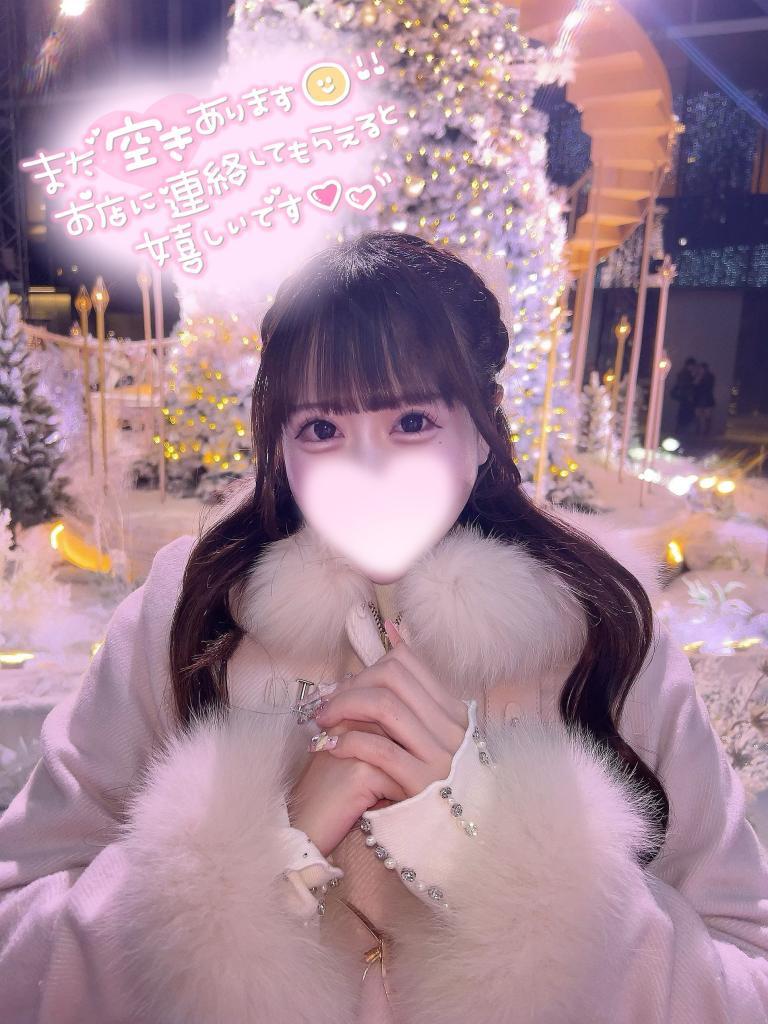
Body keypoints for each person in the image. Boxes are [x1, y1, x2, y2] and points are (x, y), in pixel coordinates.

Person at [1, 231, 767, 1024]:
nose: (368, 473)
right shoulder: (189, 611)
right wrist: (257, 856)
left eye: (412, 421)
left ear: (482, 428)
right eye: (321, 430)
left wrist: (505, 856)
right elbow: (17, 947)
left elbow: (746, 980)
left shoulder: (601, 632)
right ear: (280, 446)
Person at [670, 355, 698, 437]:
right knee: (685, 415)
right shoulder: (686, 374)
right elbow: (687, 385)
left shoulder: (684, 373)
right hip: (686, 397)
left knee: (683, 414)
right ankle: (681, 433)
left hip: (685, 397)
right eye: (693, 366)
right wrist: (694, 380)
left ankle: (680, 432)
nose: (693, 367)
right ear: (690, 365)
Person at [694, 361, 716, 438]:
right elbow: (695, 385)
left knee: (707, 416)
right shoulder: (698, 376)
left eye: (701, 368)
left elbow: (709, 387)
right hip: (699, 398)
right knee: (697, 415)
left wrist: (700, 378)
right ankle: (698, 431)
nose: (700, 370)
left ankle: (706, 432)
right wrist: (698, 378)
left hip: (707, 398)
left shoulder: (710, 377)